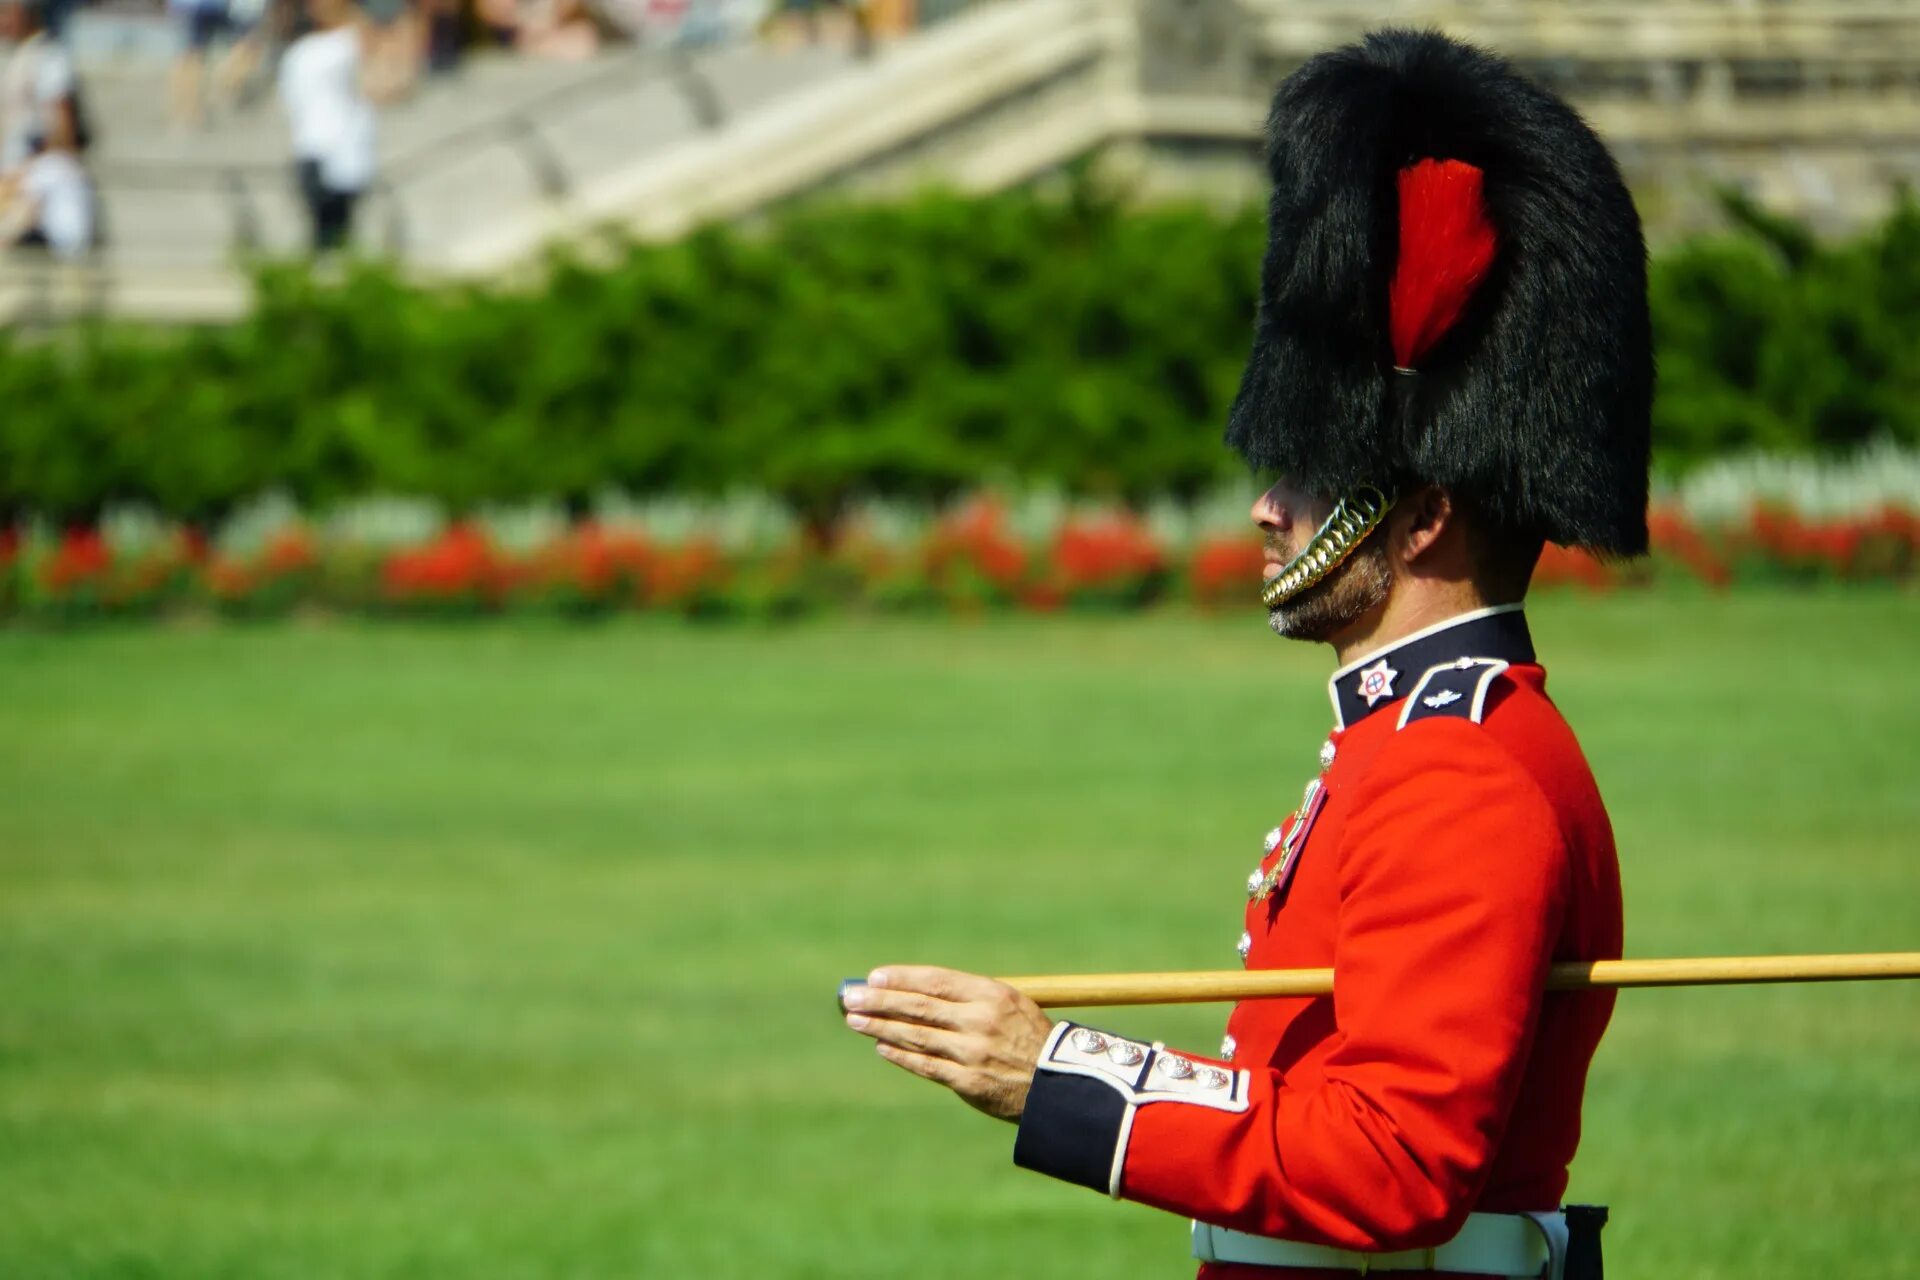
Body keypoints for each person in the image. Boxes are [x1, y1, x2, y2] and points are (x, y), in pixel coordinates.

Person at [840, 29, 1652, 1280]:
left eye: (1310, 471)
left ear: (1423, 516)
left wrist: (1052, 1074)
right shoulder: (1416, 742)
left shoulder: (1458, 774)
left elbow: (1395, 1160)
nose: (1269, 506)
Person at [277, 0, 406, 254]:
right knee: (322, 227)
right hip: (311, 146)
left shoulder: (351, 39)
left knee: (338, 226)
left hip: (342, 148)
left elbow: (382, 76)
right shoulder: (303, 49)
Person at [0, 0, 79, 170]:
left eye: (6, 12)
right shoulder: (17, 54)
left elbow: (62, 124)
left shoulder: (49, 56)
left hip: (37, 169)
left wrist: (28, 170)